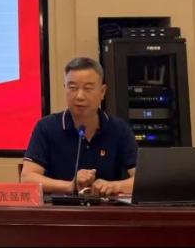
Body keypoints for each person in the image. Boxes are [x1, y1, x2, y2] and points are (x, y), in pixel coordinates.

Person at [20, 57, 137, 196]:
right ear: (65, 88)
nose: (79, 96)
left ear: (102, 92)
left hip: (106, 208)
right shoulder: (46, 127)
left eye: (88, 88)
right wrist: (70, 186)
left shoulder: (119, 129)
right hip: (59, 208)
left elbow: (142, 179)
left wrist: (115, 186)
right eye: (72, 88)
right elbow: (27, 179)